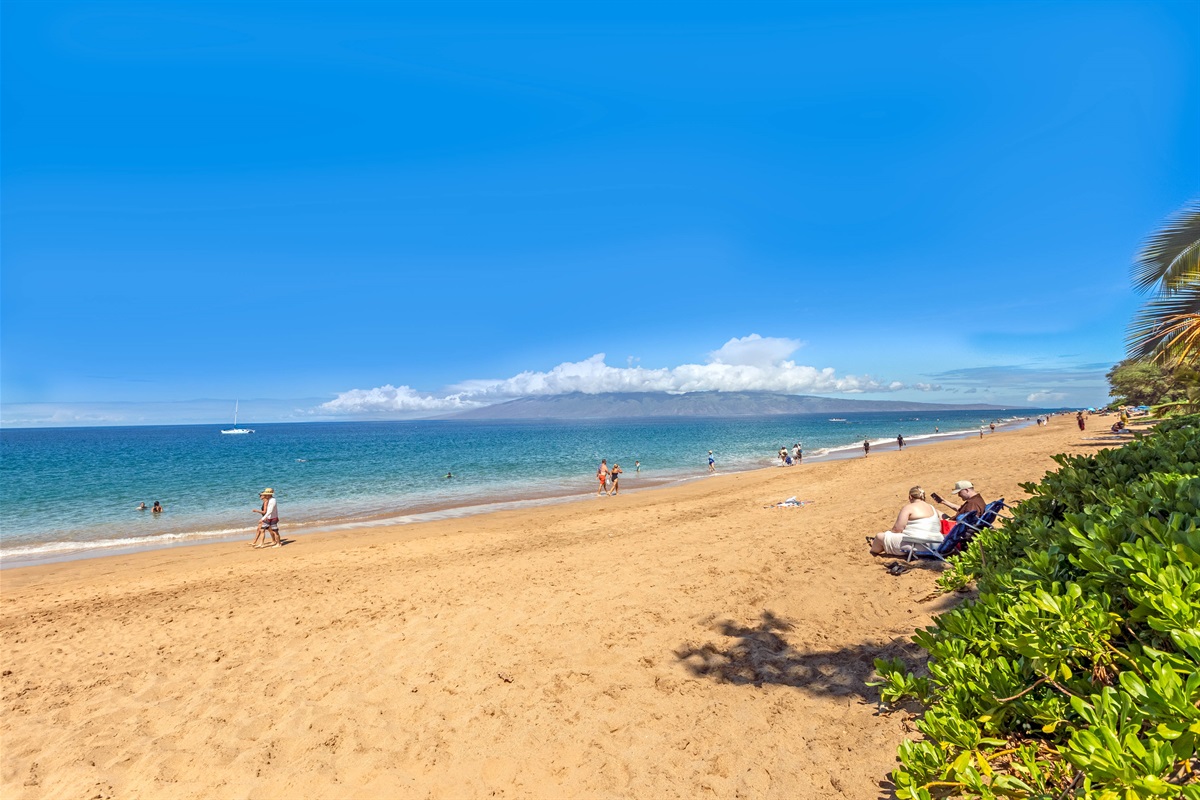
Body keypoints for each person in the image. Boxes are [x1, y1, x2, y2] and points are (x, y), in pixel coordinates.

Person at [868, 486, 942, 556]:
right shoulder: (933, 508)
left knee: (879, 537)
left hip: (919, 545)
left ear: (910, 497)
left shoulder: (909, 507)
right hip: (936, 544)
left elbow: (897, 529)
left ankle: (873, 550)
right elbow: (939, 527)